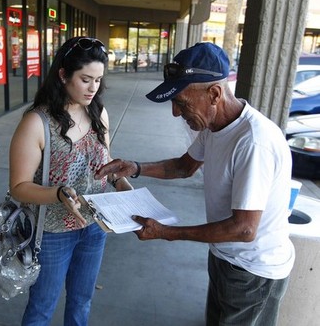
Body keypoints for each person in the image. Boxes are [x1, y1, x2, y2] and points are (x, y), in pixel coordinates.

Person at [95, 42, 295, 326]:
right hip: (226, 257)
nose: (176, 113)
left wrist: (167, 232)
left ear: (214, 93)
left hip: (254, 271)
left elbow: (245, 228)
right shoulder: (214, 126)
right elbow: (183, 166)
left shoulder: (253, 142)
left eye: (182, 102)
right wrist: (136, 167)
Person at [9, 36, 133, 326]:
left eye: (99, 80)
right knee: (42, 307)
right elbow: (18, 187)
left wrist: (123, 187)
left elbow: (103, 165)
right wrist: (59, 193)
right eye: (86, 79)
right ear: (63, 75)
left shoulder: (98, 112)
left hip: (94, 227)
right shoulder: (36, 122)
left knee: (81, 301)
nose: (94, 88)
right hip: (52, 232)